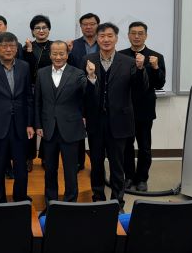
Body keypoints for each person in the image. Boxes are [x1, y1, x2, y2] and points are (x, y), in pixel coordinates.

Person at [83, 22, 148, 210]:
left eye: (110, 36)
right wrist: (91, 78)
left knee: (117, 164)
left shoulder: (128, 62)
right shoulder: (87, 60)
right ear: (97, 39)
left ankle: (117, 202)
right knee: (96, 163)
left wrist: (141, 69)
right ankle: (98, 197)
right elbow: (83, 93)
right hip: (96, 121)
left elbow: (139, 90)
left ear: (117, 39)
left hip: (120, 121)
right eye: (102, 36)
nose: (106, 39)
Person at [35, 41, 94, 207]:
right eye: (54, 53)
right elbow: (38, 101)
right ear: (50, 55)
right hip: (49, 129)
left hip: (71, 129)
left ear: (67, 55)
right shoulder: (41, 73)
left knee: (70, 170)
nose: (58, 57)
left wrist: (91, 76)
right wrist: (38, 124)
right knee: (49, 170)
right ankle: (51, 204)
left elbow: (88, 94)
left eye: (62, 53)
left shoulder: (77, 73)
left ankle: (70, 204)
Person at [0, 32, 34, 203]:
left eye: (12, 46)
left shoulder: (24, 66)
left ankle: (20, 198)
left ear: (17, 49)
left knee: (21, 166)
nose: (9, 49)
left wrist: (30, 123)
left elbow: (28, 96)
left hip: (20, 123)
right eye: (5, 46)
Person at [120, 21, 166, 192]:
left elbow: (159, 83)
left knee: (145, 147)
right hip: (125, 108)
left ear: (146, 36)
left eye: (140, 33)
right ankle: (128, 177)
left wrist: (155, 67)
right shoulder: (121, 55)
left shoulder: (156, 56)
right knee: (126, 146)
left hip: (145, 109)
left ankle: (142, 179)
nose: (137, 36)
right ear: (128, 35)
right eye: (133, 33)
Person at [68, 12, 100, 171]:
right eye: (85, 24)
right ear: (80, 27)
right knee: (77, 132)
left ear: (97, 25)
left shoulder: (105, 43)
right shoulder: (73, 45)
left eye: (92, 24)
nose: (88, 27)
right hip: (77, 95)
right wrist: (68, 53)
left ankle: (97, 166)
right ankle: (78, 163)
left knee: (96, 134)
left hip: (98, 94)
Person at [23, 14, 53, 172]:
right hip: (31, 88)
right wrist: (29, 52)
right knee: (30, 122)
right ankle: (28, 157)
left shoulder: (55, 46)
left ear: (49, 29)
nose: (41, 31)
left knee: (47, 122)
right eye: (37, 28)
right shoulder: (26, 47)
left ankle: (46, 157)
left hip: (50, 89)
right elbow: (26, 70)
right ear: (32, 31)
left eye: (44, 27)